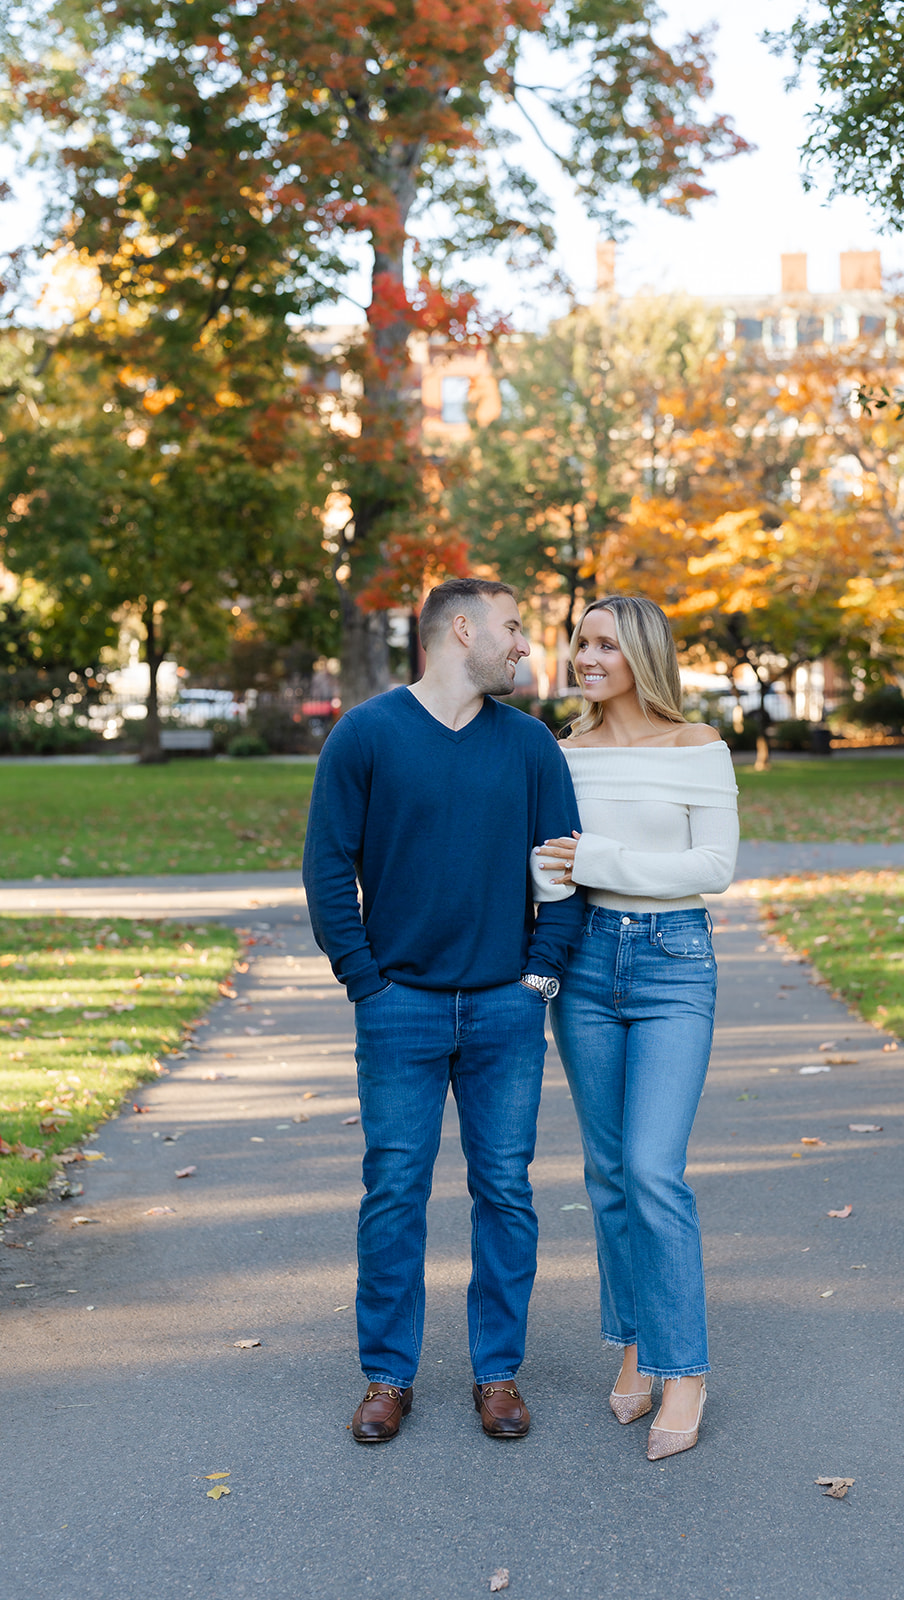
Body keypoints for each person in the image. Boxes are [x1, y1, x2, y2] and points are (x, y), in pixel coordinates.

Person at [303, 577, 584, 1445]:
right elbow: (327, 866)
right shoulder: (368, 735)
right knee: (393, 1193)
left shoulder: (531, 746)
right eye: (512, 628)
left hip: (505, 1007)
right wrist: (365, 981)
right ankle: (387, 1377)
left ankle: (496, 1374)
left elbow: (565, 870)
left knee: (505, 1190)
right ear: (461, 631)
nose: (525, 646)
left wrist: (538, 978)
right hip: (399, 1010)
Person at [533, 595, 738, 1461]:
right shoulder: (558, 755)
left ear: (641, 656)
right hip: (583, 962)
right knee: (608, 1173)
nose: (585, 656)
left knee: (655, 1170)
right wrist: (549, 880)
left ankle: (683, 1369)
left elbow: (713, 867)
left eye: (605, 644)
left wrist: (599, 862)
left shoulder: (697, 747)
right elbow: (548, 870)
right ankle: (633, 1346)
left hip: (671, 961)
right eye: (580, 642)